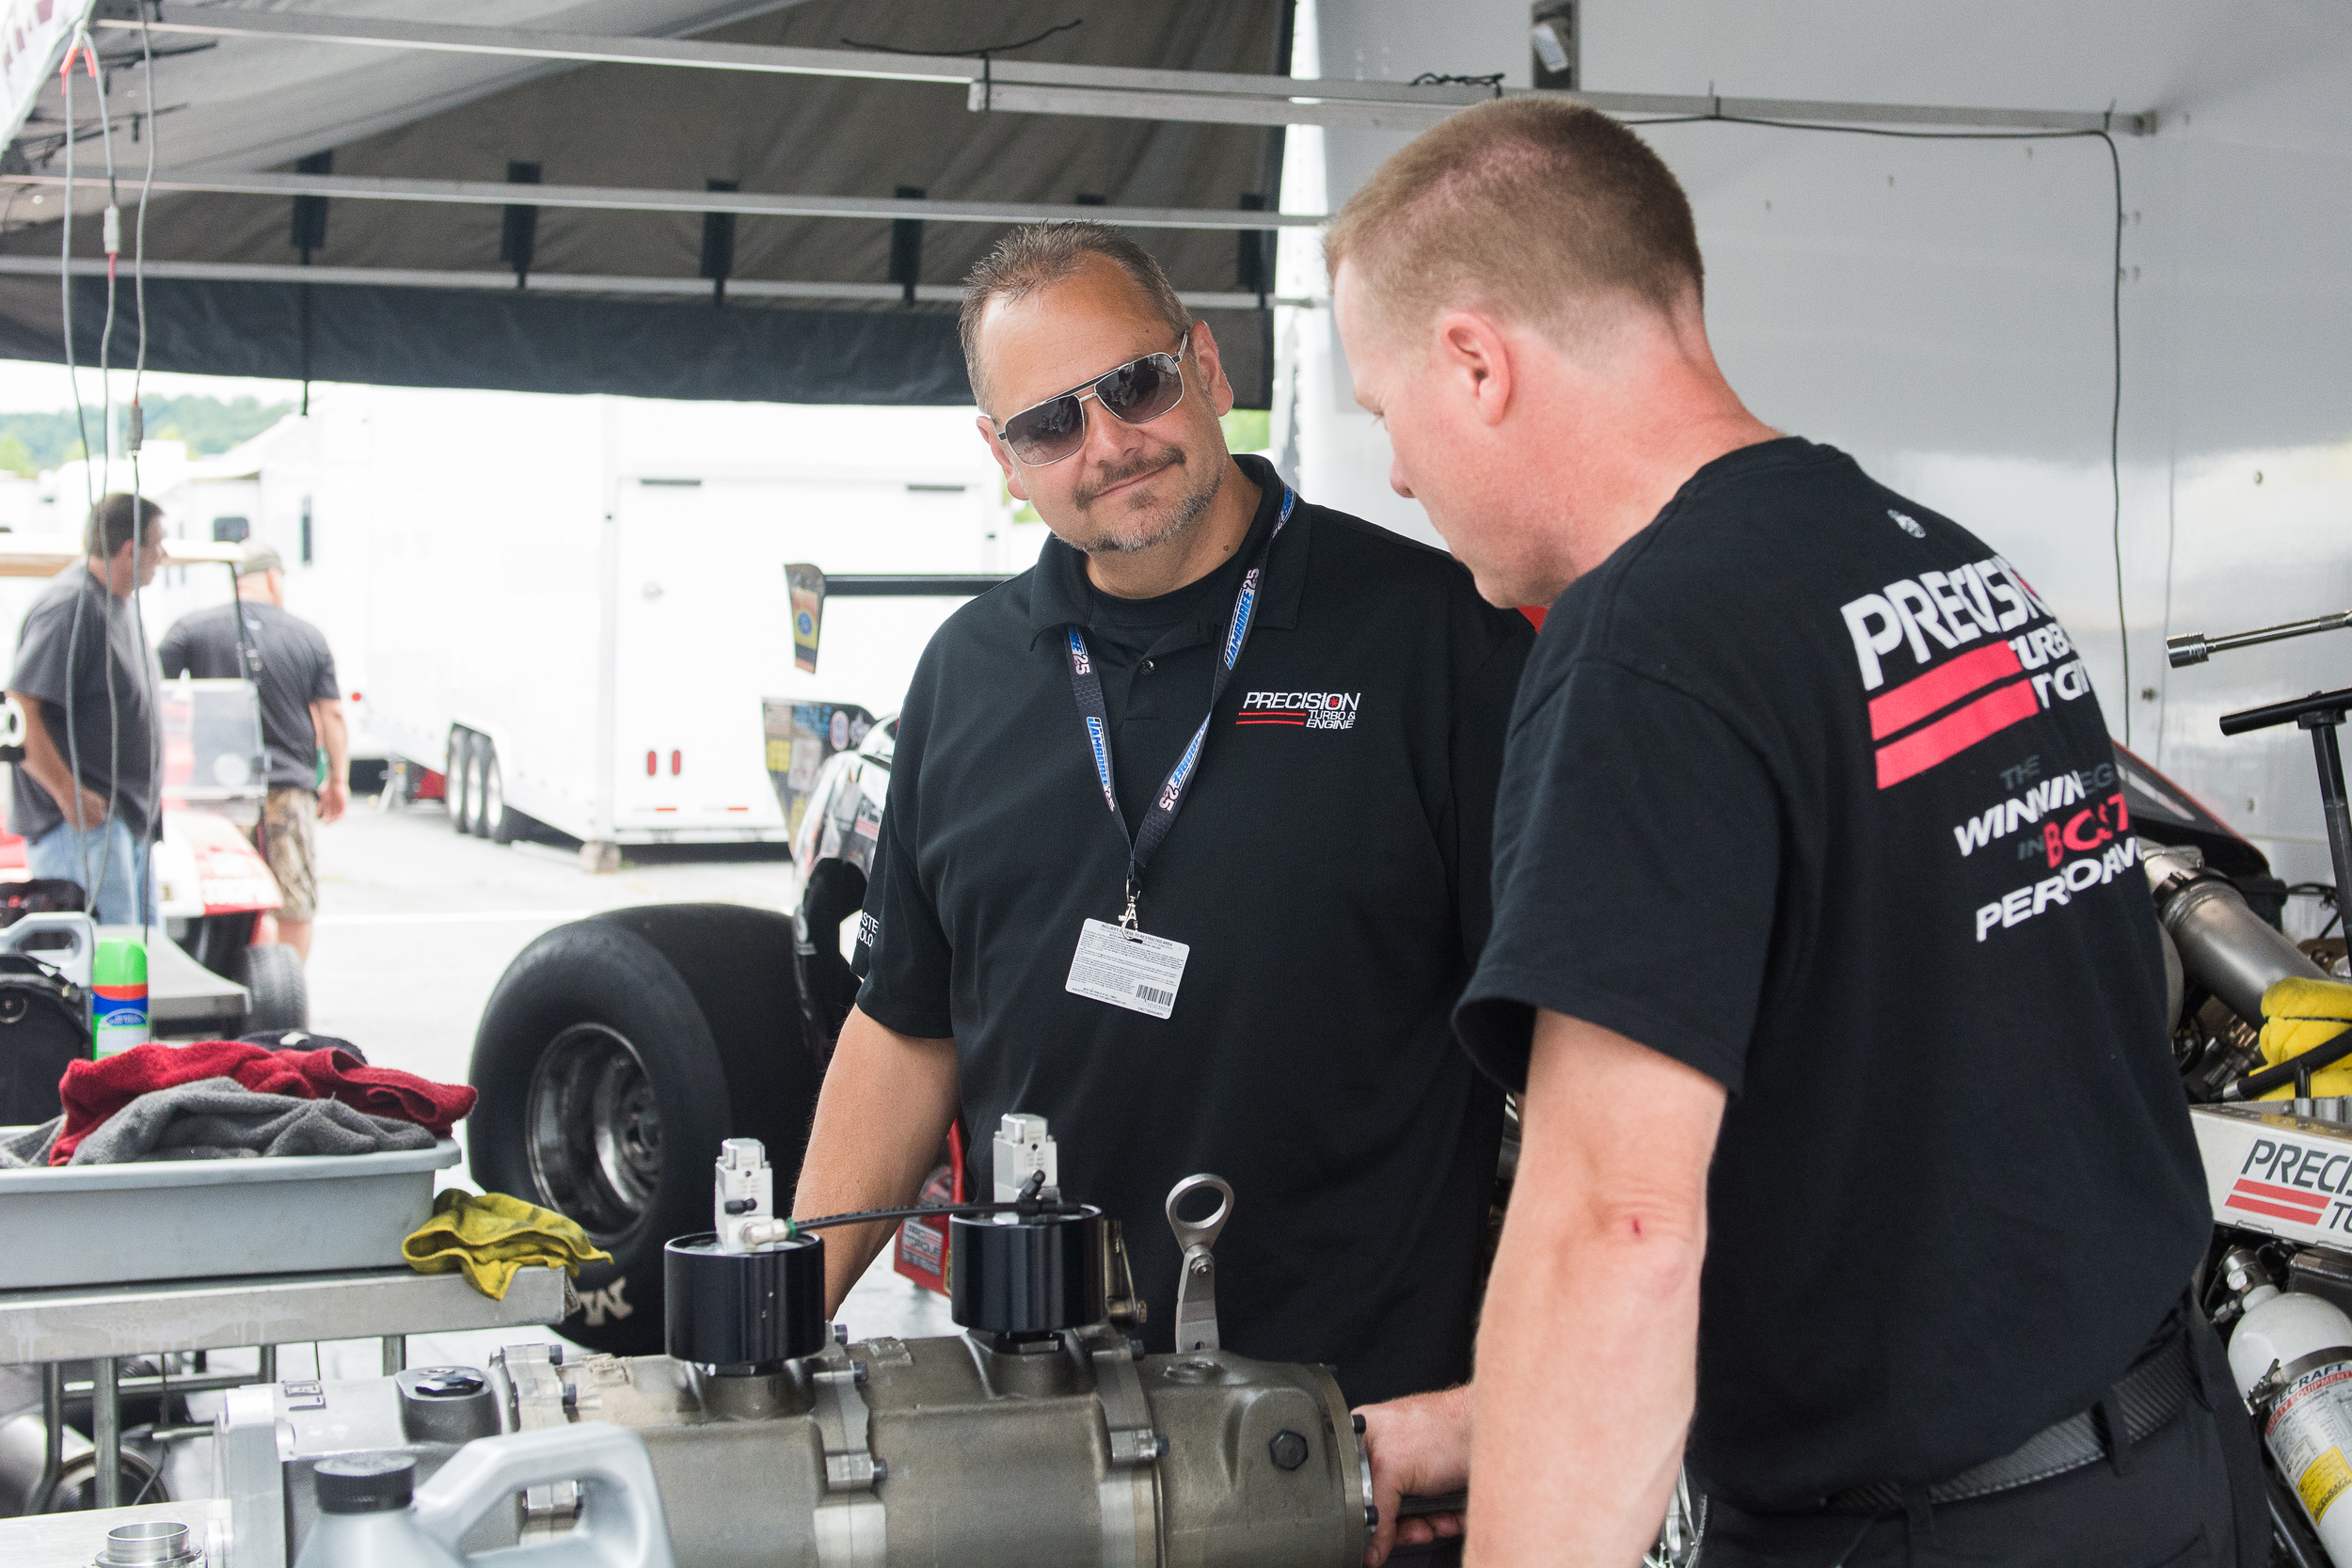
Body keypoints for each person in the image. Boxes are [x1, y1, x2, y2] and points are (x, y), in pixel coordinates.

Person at [1327, 100, 2251, 1568]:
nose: (1395, 474)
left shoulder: (1643, 647)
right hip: (2163, 1471)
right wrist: (1495, 1423)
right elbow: (1916, 1113)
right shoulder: (1942, 566)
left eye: (1384, 413)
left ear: (1475, 362)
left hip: (1923, 1531)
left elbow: (1619, 1232)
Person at [790, 221, 1534, 1407]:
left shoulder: (1433, 638)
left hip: (1351, 1421)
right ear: (1002, 454)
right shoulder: (966, 674)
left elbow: (1567, 1048)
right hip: (1038, 1409)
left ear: (1207, 366)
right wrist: (783, 1320)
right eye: (1050, 423)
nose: (1107, 444)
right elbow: (905, 1032)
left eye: (1134, 385)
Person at [159, 543, 348, 959]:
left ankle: (224, 980)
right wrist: (338, 781)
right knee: (294, 900)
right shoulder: (307, 635)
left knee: (220, 892)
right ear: (273, 578)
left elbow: (153, 691)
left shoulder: (192, 628)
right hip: (288, 786)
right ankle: (288, 985)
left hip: (217, 790)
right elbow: (332, 714)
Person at [7, 493, 167, 925]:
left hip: (125, 821)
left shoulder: (118, 605)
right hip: (82, 826)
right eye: (158, 544)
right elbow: (19, 708)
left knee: (136, 953)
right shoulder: (71, 607)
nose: (163, 556)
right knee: (103, 955)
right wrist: (67, 790)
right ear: (131, 550)